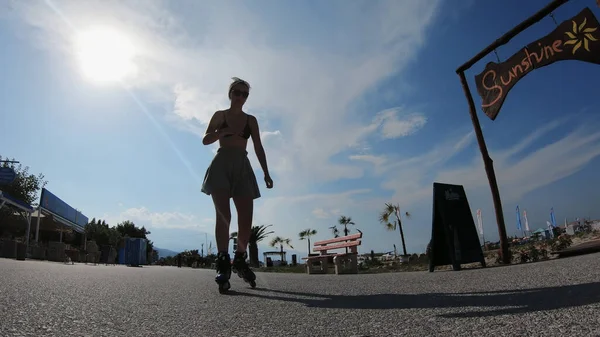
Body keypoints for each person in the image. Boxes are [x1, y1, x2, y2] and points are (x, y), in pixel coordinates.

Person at [201, 77, 273, 292]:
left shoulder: (251, 120)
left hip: (242, 165)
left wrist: (266, 173)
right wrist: (218, 133)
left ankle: (240, 259)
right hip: (221, 164)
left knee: (246, 218)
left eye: (245, 94)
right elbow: (205, 139)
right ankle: (223, 261)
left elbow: (258, 147)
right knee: (224, 215)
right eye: (237, 92)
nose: (241, 96)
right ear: (230, 93)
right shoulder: (219, 115)